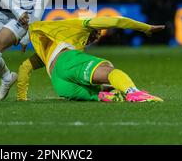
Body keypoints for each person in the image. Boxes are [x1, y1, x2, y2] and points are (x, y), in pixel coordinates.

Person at [16, 16, 165, 102]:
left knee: (103, 92)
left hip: (60, 85)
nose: (95, 38)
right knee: (108, 70)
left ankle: (108, 95)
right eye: (96, 33)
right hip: (68, 63)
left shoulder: (48, 47)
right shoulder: (81, 25)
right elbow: (117, 21)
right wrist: (146, 28)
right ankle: (133, 92)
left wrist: (21, 99)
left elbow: (24, 68)